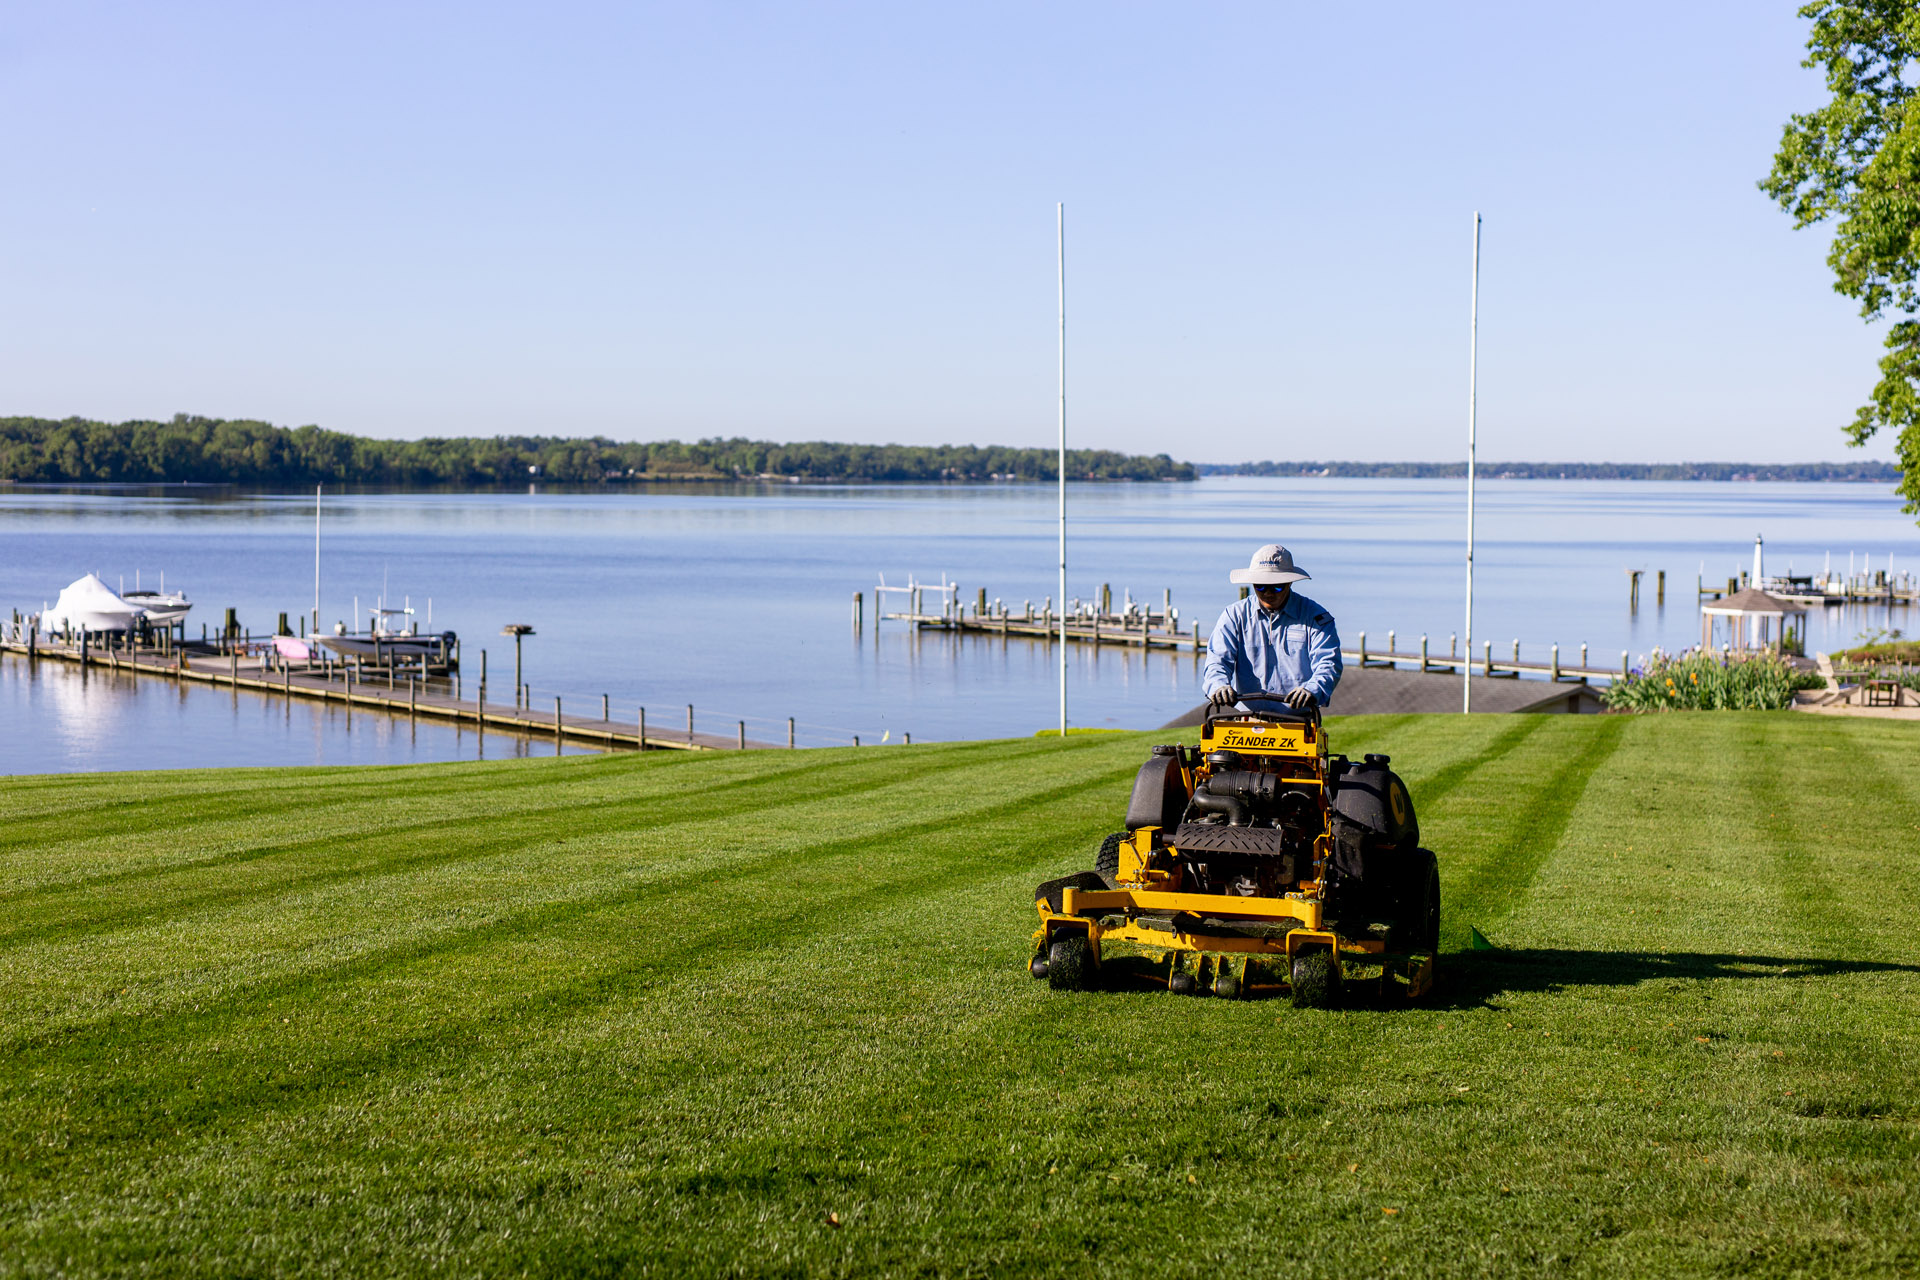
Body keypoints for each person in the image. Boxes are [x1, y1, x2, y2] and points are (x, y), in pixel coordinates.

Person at [1202, 543, 1343, 711]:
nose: (1268, 593)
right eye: (1260, 586)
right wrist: (1218, 685)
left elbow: (1328, 663)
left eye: (1276, 586)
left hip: (1298, 720)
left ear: (1290, 582)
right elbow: (1217, 660)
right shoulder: (1234, 615)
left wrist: (1312, 689)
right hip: (1247, 721)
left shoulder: (1315, 617)